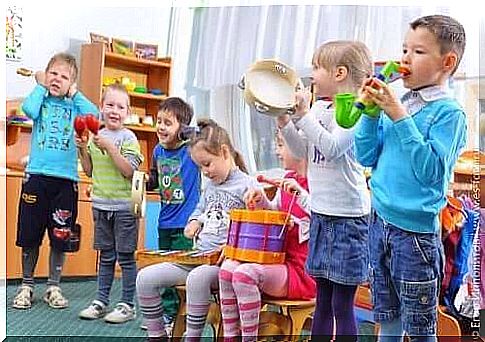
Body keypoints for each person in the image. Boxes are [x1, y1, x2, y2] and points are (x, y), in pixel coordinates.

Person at [354, 15, 467, 341]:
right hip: (379, 224)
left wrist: (398, 116)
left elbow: (431, 174)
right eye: (404, 49)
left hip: (414, 237)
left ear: (447, 62)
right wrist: (372, 115)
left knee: (419, 329)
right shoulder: (399, 101)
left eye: (417, 52)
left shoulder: (449, 113)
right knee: (387, 320)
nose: (404, 58)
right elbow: (366, 157)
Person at [276, 40, 373, 340]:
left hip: (348, 220)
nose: (312, 74)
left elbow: (331, 148)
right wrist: (285, 120)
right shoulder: (318, 107)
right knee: (323, 301)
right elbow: (301, 149)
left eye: (317, 67)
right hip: (321, 215)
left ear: (340, 73)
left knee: (342, 304)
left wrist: (303, 115)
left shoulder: (356, 111)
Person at [136, 118, 260, 341]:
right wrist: (193, 223)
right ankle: (157, 336)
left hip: (222, 266)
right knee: (145, 278)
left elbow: (256, 230)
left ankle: (191, 337)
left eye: (207, 164)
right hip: (197, 258)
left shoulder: (248, 186)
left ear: (224, 152)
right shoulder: (211, 185)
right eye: (200, 166)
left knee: (198, 278)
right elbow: (199, 211)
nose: (205, 172)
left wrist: (231, 248)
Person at [12, 52, 98, 310]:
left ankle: (53, 286)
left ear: (72, 83)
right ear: (45, 75)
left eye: (64, 77)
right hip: (37, 178)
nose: (57, 79)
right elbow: (27, 110)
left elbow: (93, 116)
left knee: (60, 234)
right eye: (53, 74)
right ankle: (27, 284)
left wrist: (75, 94)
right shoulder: (41, 100)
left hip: (65, 182)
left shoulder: (74, 105)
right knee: (29, 234)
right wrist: (39, 84)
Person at [219, 130, 316, 340]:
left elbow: (322, 223)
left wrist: (297, 223)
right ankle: (230, 337)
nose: (277, 151)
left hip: (303, 272)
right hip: (280, 262)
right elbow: (277, 214)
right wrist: (261, 200)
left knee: (245, 274)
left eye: (281, 145)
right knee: (227, 270)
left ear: (300, 147)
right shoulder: (287, 179)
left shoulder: (317, 184)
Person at [76, 83, 144, 323]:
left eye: (121, 106)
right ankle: (101, 301)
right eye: (110, 105)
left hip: (125, 208)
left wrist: (111, 148)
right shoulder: (96, 135)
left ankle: (127, 305)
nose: (115, 110)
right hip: (101, 206)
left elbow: (128, 170)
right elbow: (89, 170)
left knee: (125, 258)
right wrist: (83, 149)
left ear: (127, 112)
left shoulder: (129, 138)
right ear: (101, 108)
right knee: (105, 256)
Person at [145, 97, 202, 328]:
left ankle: (187, 315)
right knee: (165, 271)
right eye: (159, 121)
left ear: (182, 129)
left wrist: (188, 132)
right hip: (165, 222)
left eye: (167, 123)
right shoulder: (158, 150)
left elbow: (207, 135)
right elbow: (155, 180)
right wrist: (139, 182)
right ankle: (169, 315)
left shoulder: (192, 150)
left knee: (184, 272)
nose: (160, 127)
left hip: (186, 224)